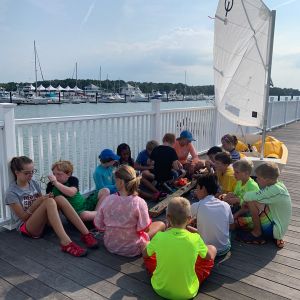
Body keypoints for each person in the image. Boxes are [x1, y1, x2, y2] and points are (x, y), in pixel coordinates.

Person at [5, 156, 98, 257]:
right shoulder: (12, 193)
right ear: (16, 172)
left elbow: (42, 203)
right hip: (28, 228)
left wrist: (47, 198)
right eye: (27, 173)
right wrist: (38, 202)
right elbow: (23, 217)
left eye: (32, 171)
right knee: (49, 202)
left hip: (43, 223)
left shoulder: (33, 183)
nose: (31, 175)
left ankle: (86, 234)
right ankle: (66, 243)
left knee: (59, 198)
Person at [143, 197, 216, 300]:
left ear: (168, 217)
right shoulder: (195, 238)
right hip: (187, 292)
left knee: (149, 250)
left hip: (160, 288)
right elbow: (208, 257)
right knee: (211, 250)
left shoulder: (159, 237)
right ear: (189, 218)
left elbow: (145, 255)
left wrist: (146, 244)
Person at [94, 165, 165, 257]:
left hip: (111, 245)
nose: (115, 183)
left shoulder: (108, 200)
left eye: (115, 180)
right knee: (161, 224)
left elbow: (99, 224)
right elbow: (145, 228)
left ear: (120, 182)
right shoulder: (139, 202)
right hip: (132, 248)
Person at [236, 162, 292, 248]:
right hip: (275, 222)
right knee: (239, 221)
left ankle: (256, 232)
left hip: (275, 229)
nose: (256, 180)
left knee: (252, 201)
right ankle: (256, 228)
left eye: (258, 177)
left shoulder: (274, 190)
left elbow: (248, 196)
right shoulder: (279, 186)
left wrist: (244, 201)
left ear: (267, 179)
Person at [191, 173, 234, 256]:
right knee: (230, 232)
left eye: (197, 189)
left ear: (202, 188)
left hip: (206, 252)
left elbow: (181, 221)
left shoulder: (197, 206)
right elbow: (232, 226)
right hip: (224, 249)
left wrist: (187, 227)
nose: (196, 192)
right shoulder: (225, 205)